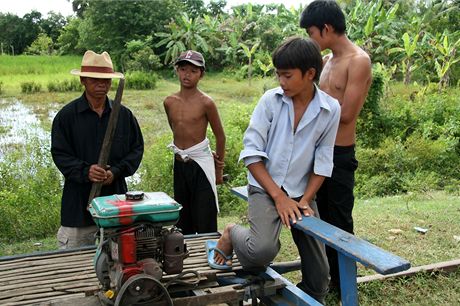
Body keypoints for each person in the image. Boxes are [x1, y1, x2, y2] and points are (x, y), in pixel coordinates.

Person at [208, 37, 341, 304]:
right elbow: (252, 154)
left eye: (287, 75)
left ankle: (307, 297)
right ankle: (232, 232)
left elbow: (323, 161)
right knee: (260, 253)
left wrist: (304, 200)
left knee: (320, 275)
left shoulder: (330, 109)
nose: (281, 81)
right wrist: (279, 198)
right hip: (264, 186)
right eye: (278, 74)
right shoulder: (271, 101)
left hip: (302, 192)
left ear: (310, 74)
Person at [300, 0, 372, 290]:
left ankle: (344, 286)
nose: (310, 39)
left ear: (326, 29)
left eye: (311, 33)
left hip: (339, 154)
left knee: (339, 220)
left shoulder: (358, 61)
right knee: (316, 218)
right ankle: (322, 278)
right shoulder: (327, 62)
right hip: (316, 151)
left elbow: (347, 114)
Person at [51, 50, 144, 249]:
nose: (102, 84)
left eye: (106, 80)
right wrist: (86, 171)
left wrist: (115, 172)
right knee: (75, 265)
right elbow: (60, 154)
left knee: (119, 260)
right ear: (83, 80)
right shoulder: (66, 117)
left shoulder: (124, 116)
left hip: (115, 204)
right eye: (95, 79)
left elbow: (136, 150)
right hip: (78, 207)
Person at [164, 50, 226, 235]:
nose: (187, 75)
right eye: (183, 69)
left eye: (193, 71)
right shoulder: (169, 102)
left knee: (205, 215)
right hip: (180, 163)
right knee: (183, 217)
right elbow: (175, 128)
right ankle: (187, 258)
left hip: (200, 164)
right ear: (177, 71)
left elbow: (220, 136)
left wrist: (218, 169)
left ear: (202, 74)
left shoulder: (206, 103)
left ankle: (209, 255)